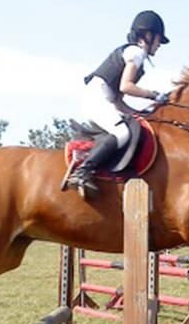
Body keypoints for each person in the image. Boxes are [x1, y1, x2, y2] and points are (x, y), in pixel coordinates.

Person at [67, 10, 170, 194]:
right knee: (122, 133)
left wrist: (140, 113)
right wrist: (154, 96)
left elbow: (118, 102)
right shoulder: (136, 53)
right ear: (147, 35)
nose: (159, 45)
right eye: (158, 40)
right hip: (96, 100)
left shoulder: (134, 55)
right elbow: (126, 86)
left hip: (103, 100)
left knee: (132, 125)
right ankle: (82, 173)